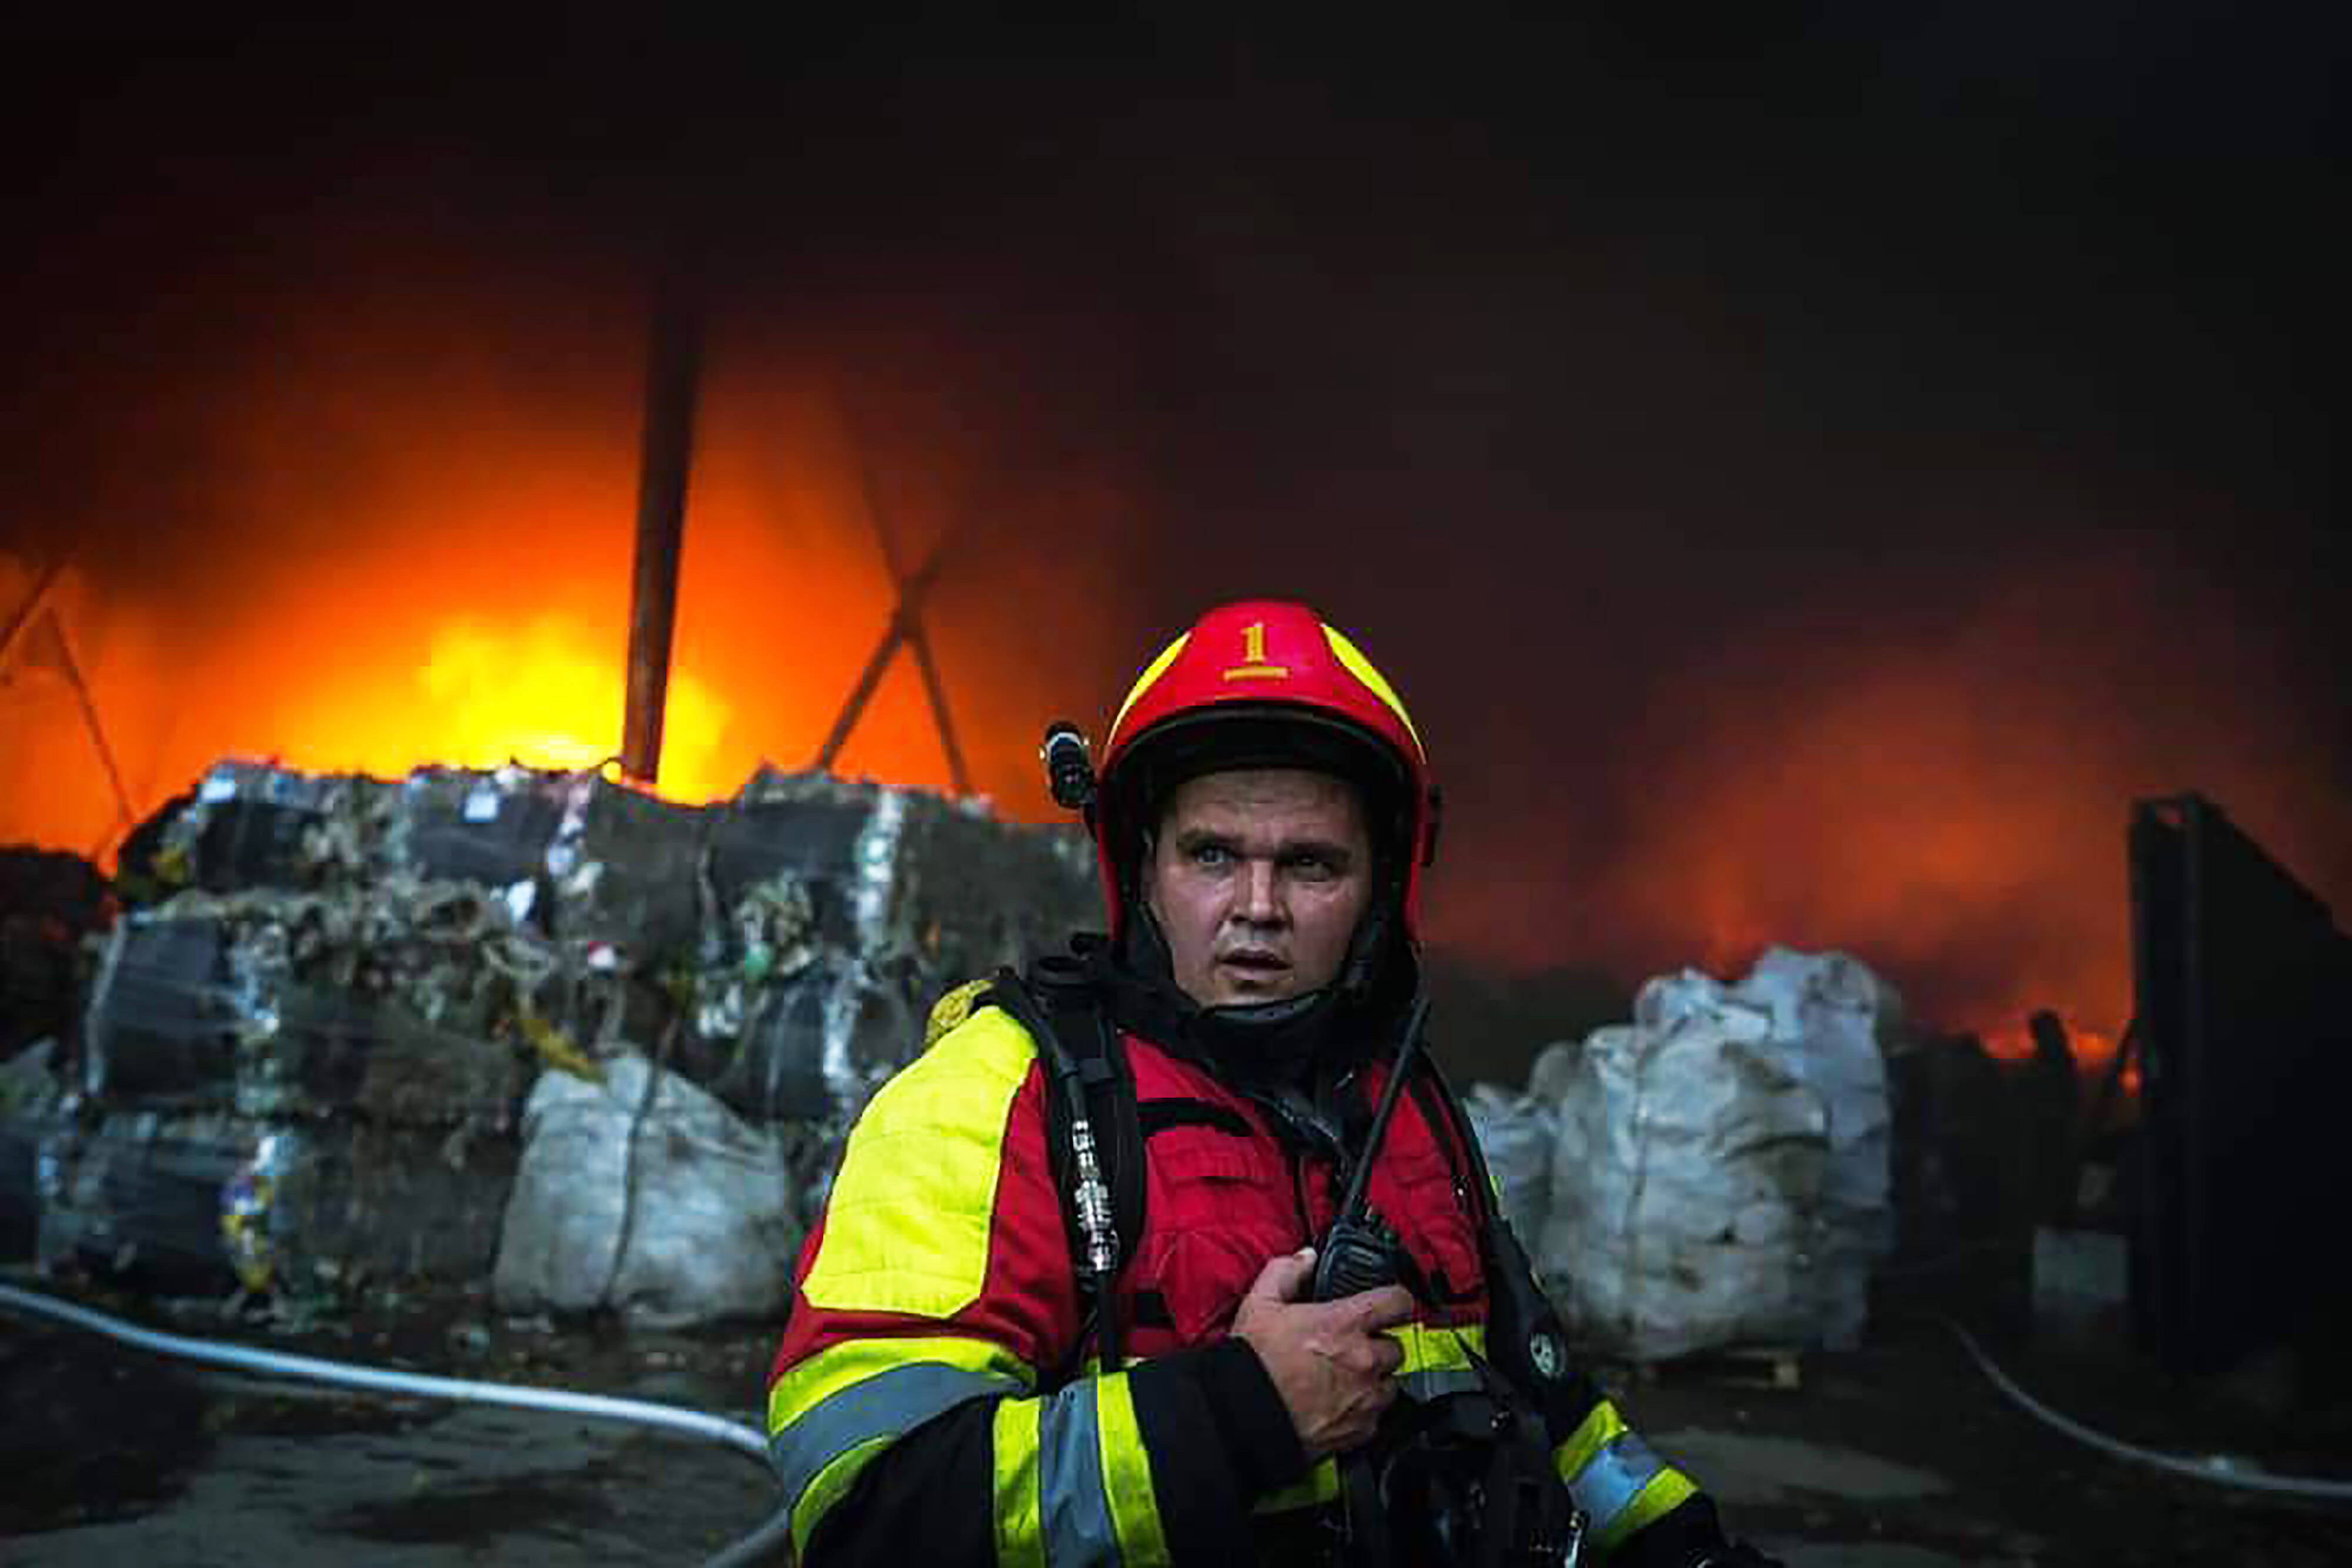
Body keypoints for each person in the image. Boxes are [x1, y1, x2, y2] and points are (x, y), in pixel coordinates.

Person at [766, 600, 1773, 1565]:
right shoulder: (1000, 1099)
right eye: (1212, 855)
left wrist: (1677, 1547)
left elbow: (1550, 1408)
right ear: (1143, 866)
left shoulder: (1405, 1108)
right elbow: (868, 1509)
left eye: (1311, 865)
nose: (1257, 908)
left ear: (1384, 889)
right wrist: (1239, 1413)